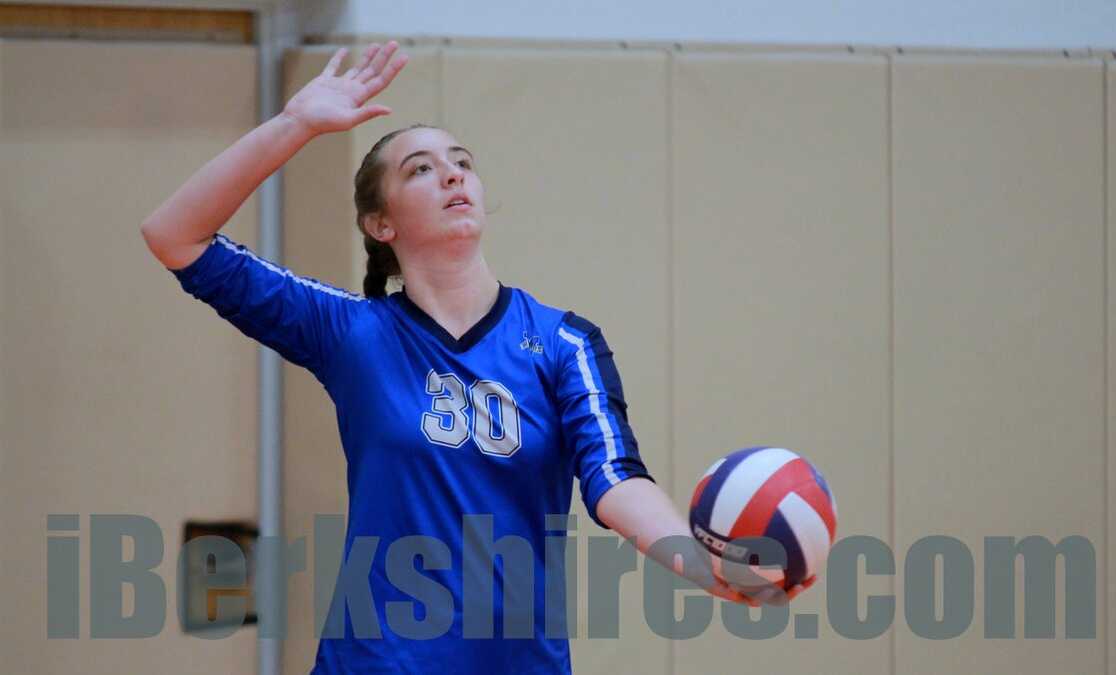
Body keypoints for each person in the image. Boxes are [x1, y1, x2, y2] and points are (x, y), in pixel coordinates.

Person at [141, 41, 800, 674]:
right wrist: (295, 125)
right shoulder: (351, 333)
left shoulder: (564, 342)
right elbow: (175, 235)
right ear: (380, 224)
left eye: (461, 161)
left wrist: (703, 567)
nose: (452, 173)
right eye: (420, 169)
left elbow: (616, 481)